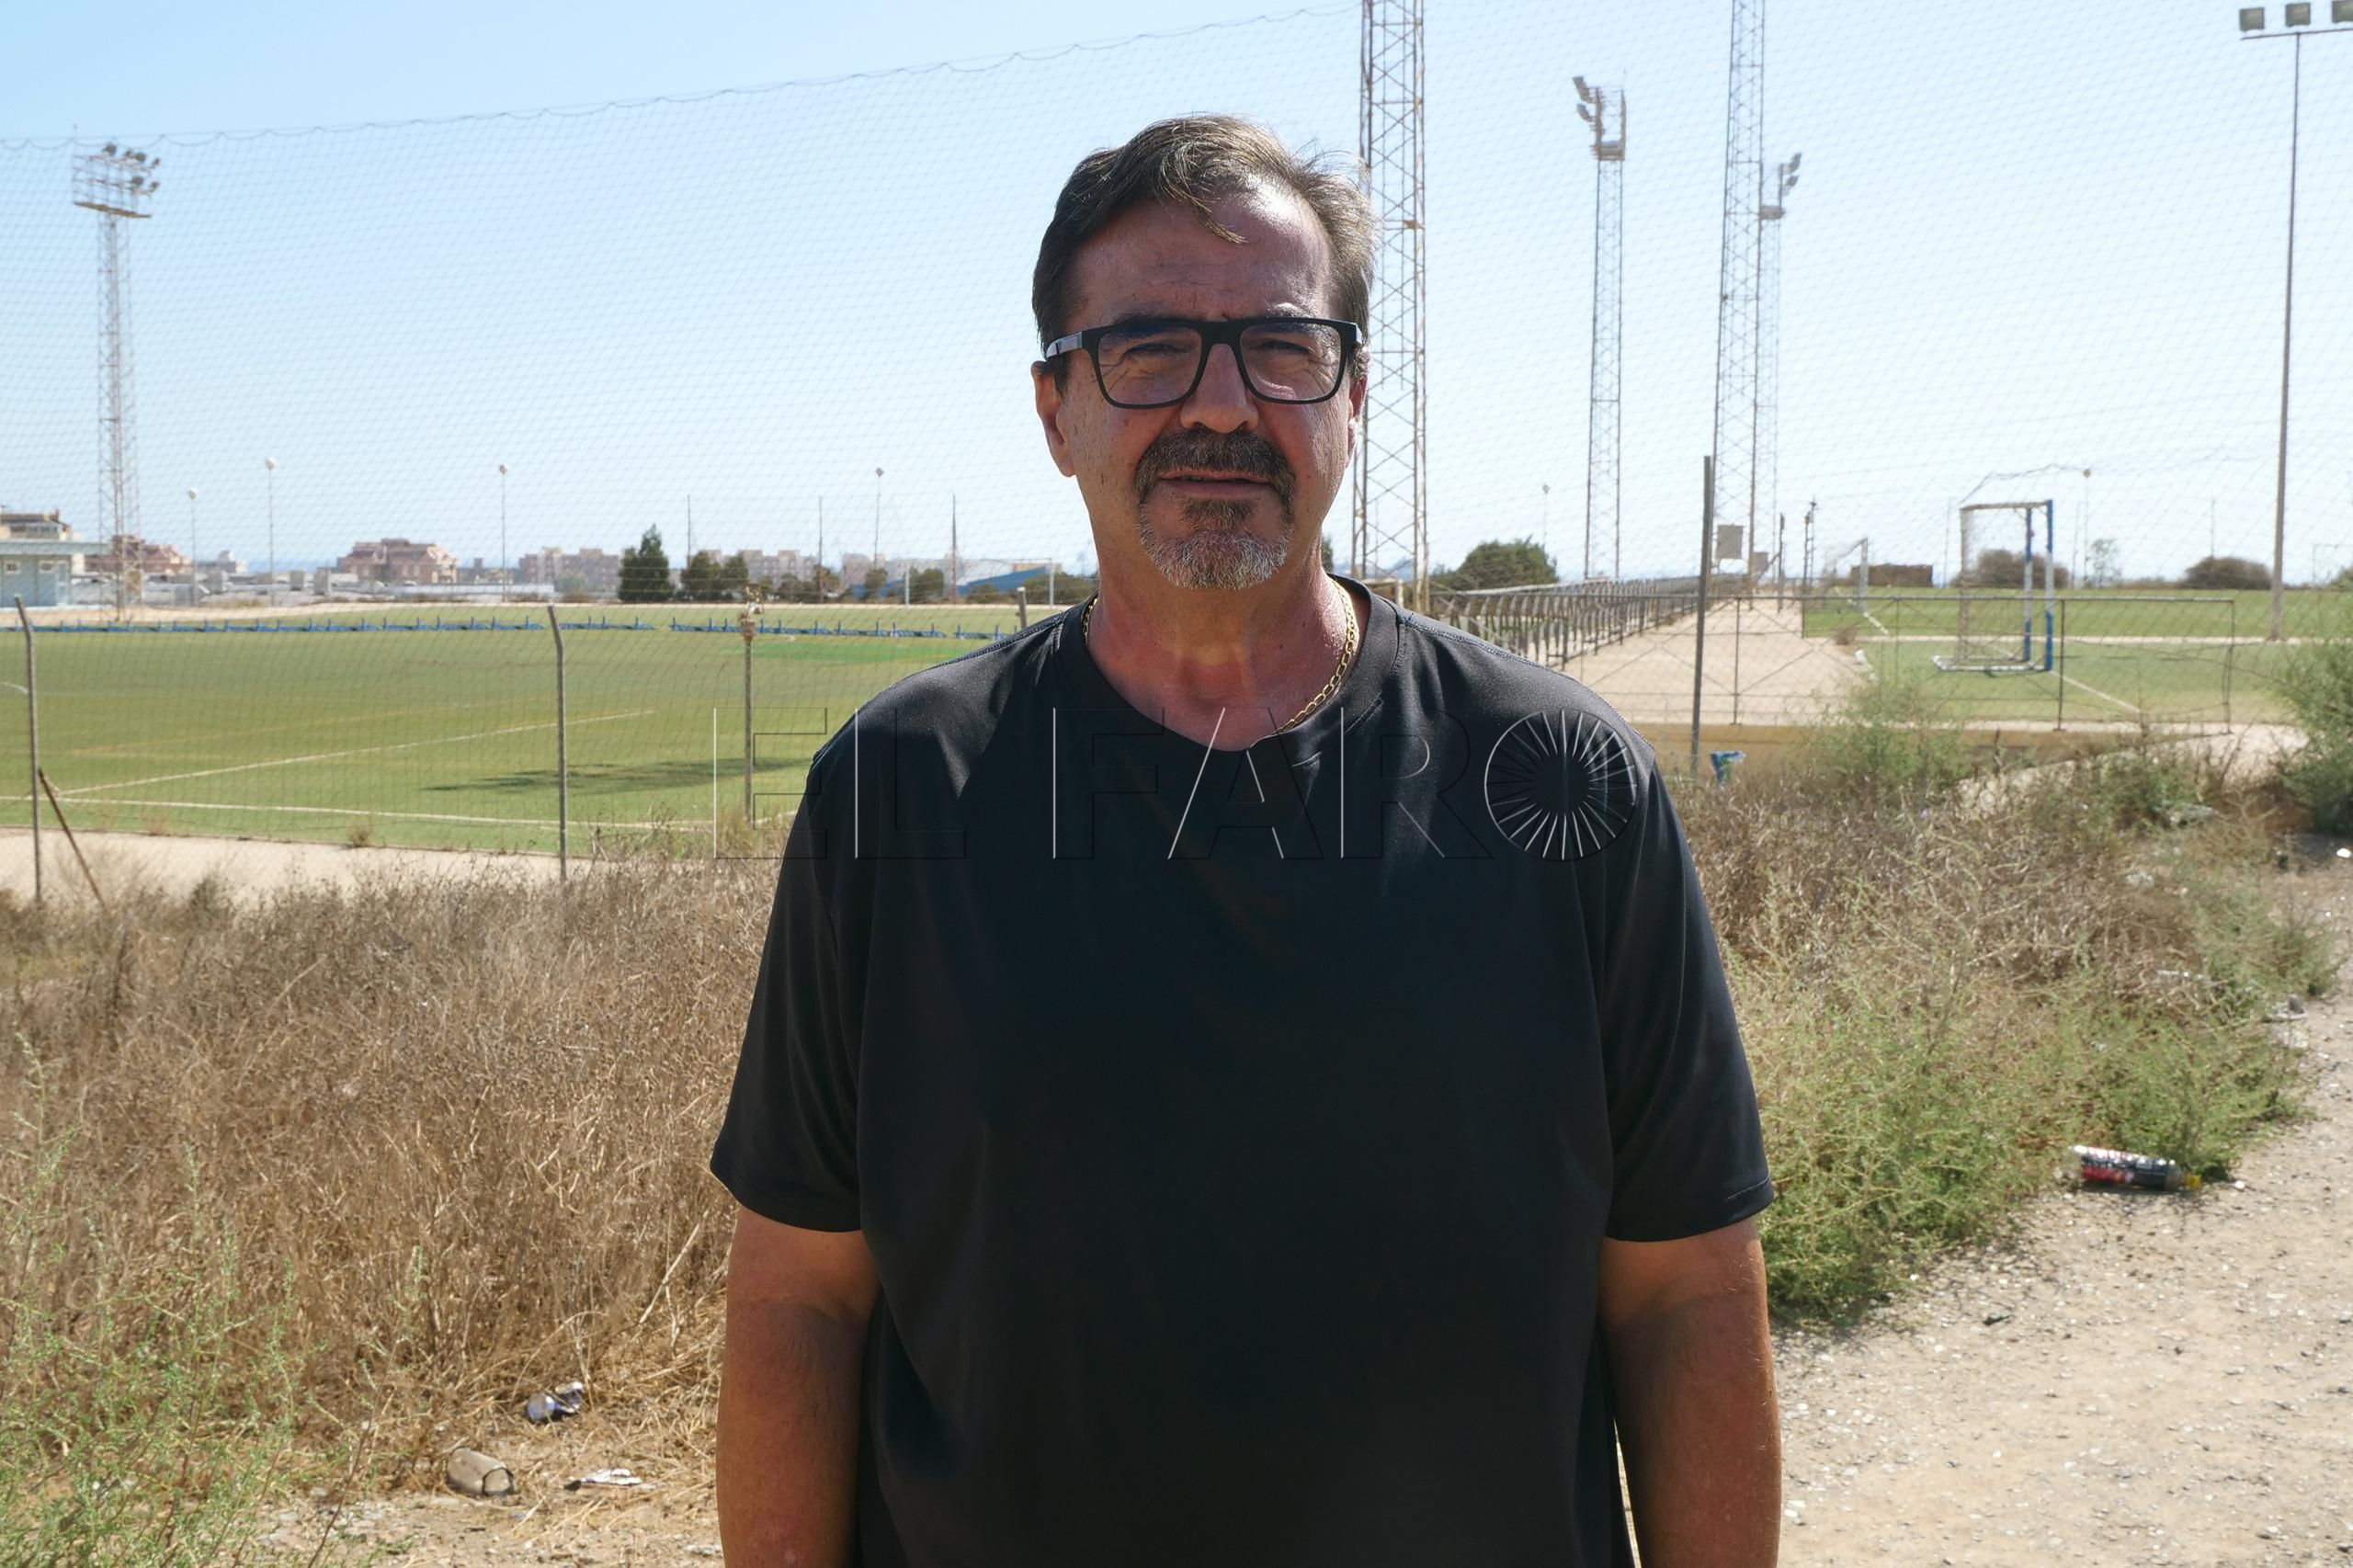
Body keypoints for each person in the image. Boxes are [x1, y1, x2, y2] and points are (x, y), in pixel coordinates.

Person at [711, 115, 1779, 1568]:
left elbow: (1686, 1289)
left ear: (1352, 396)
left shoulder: (1560, 783)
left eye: (1283, 347)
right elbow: (800, 1290)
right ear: (1056, 411)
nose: (1222, 405)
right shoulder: (897, 797)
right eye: (1149, 348)